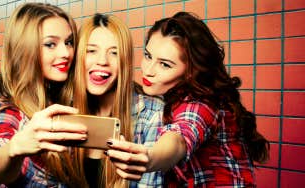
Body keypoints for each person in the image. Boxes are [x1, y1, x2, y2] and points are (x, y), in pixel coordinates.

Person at [106, 11, 270, 187]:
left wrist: (149, 158)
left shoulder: (201, 103)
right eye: (148, 56)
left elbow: (179, 137)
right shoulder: (166, 96)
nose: (148, 70)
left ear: (190, 70)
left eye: (165, 64)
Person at [0, 3, 89, 187]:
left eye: (69, 42)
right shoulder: (5, 110)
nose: (66, 52)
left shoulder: (61, 101)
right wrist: (15, 149)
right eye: (50, 44)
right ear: (24, 49)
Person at [73, 13, 165, 187]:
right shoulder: (63, 109)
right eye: (91, 51)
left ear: (124, 61)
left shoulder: (151, 114)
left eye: (114, 53)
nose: (102, 61)